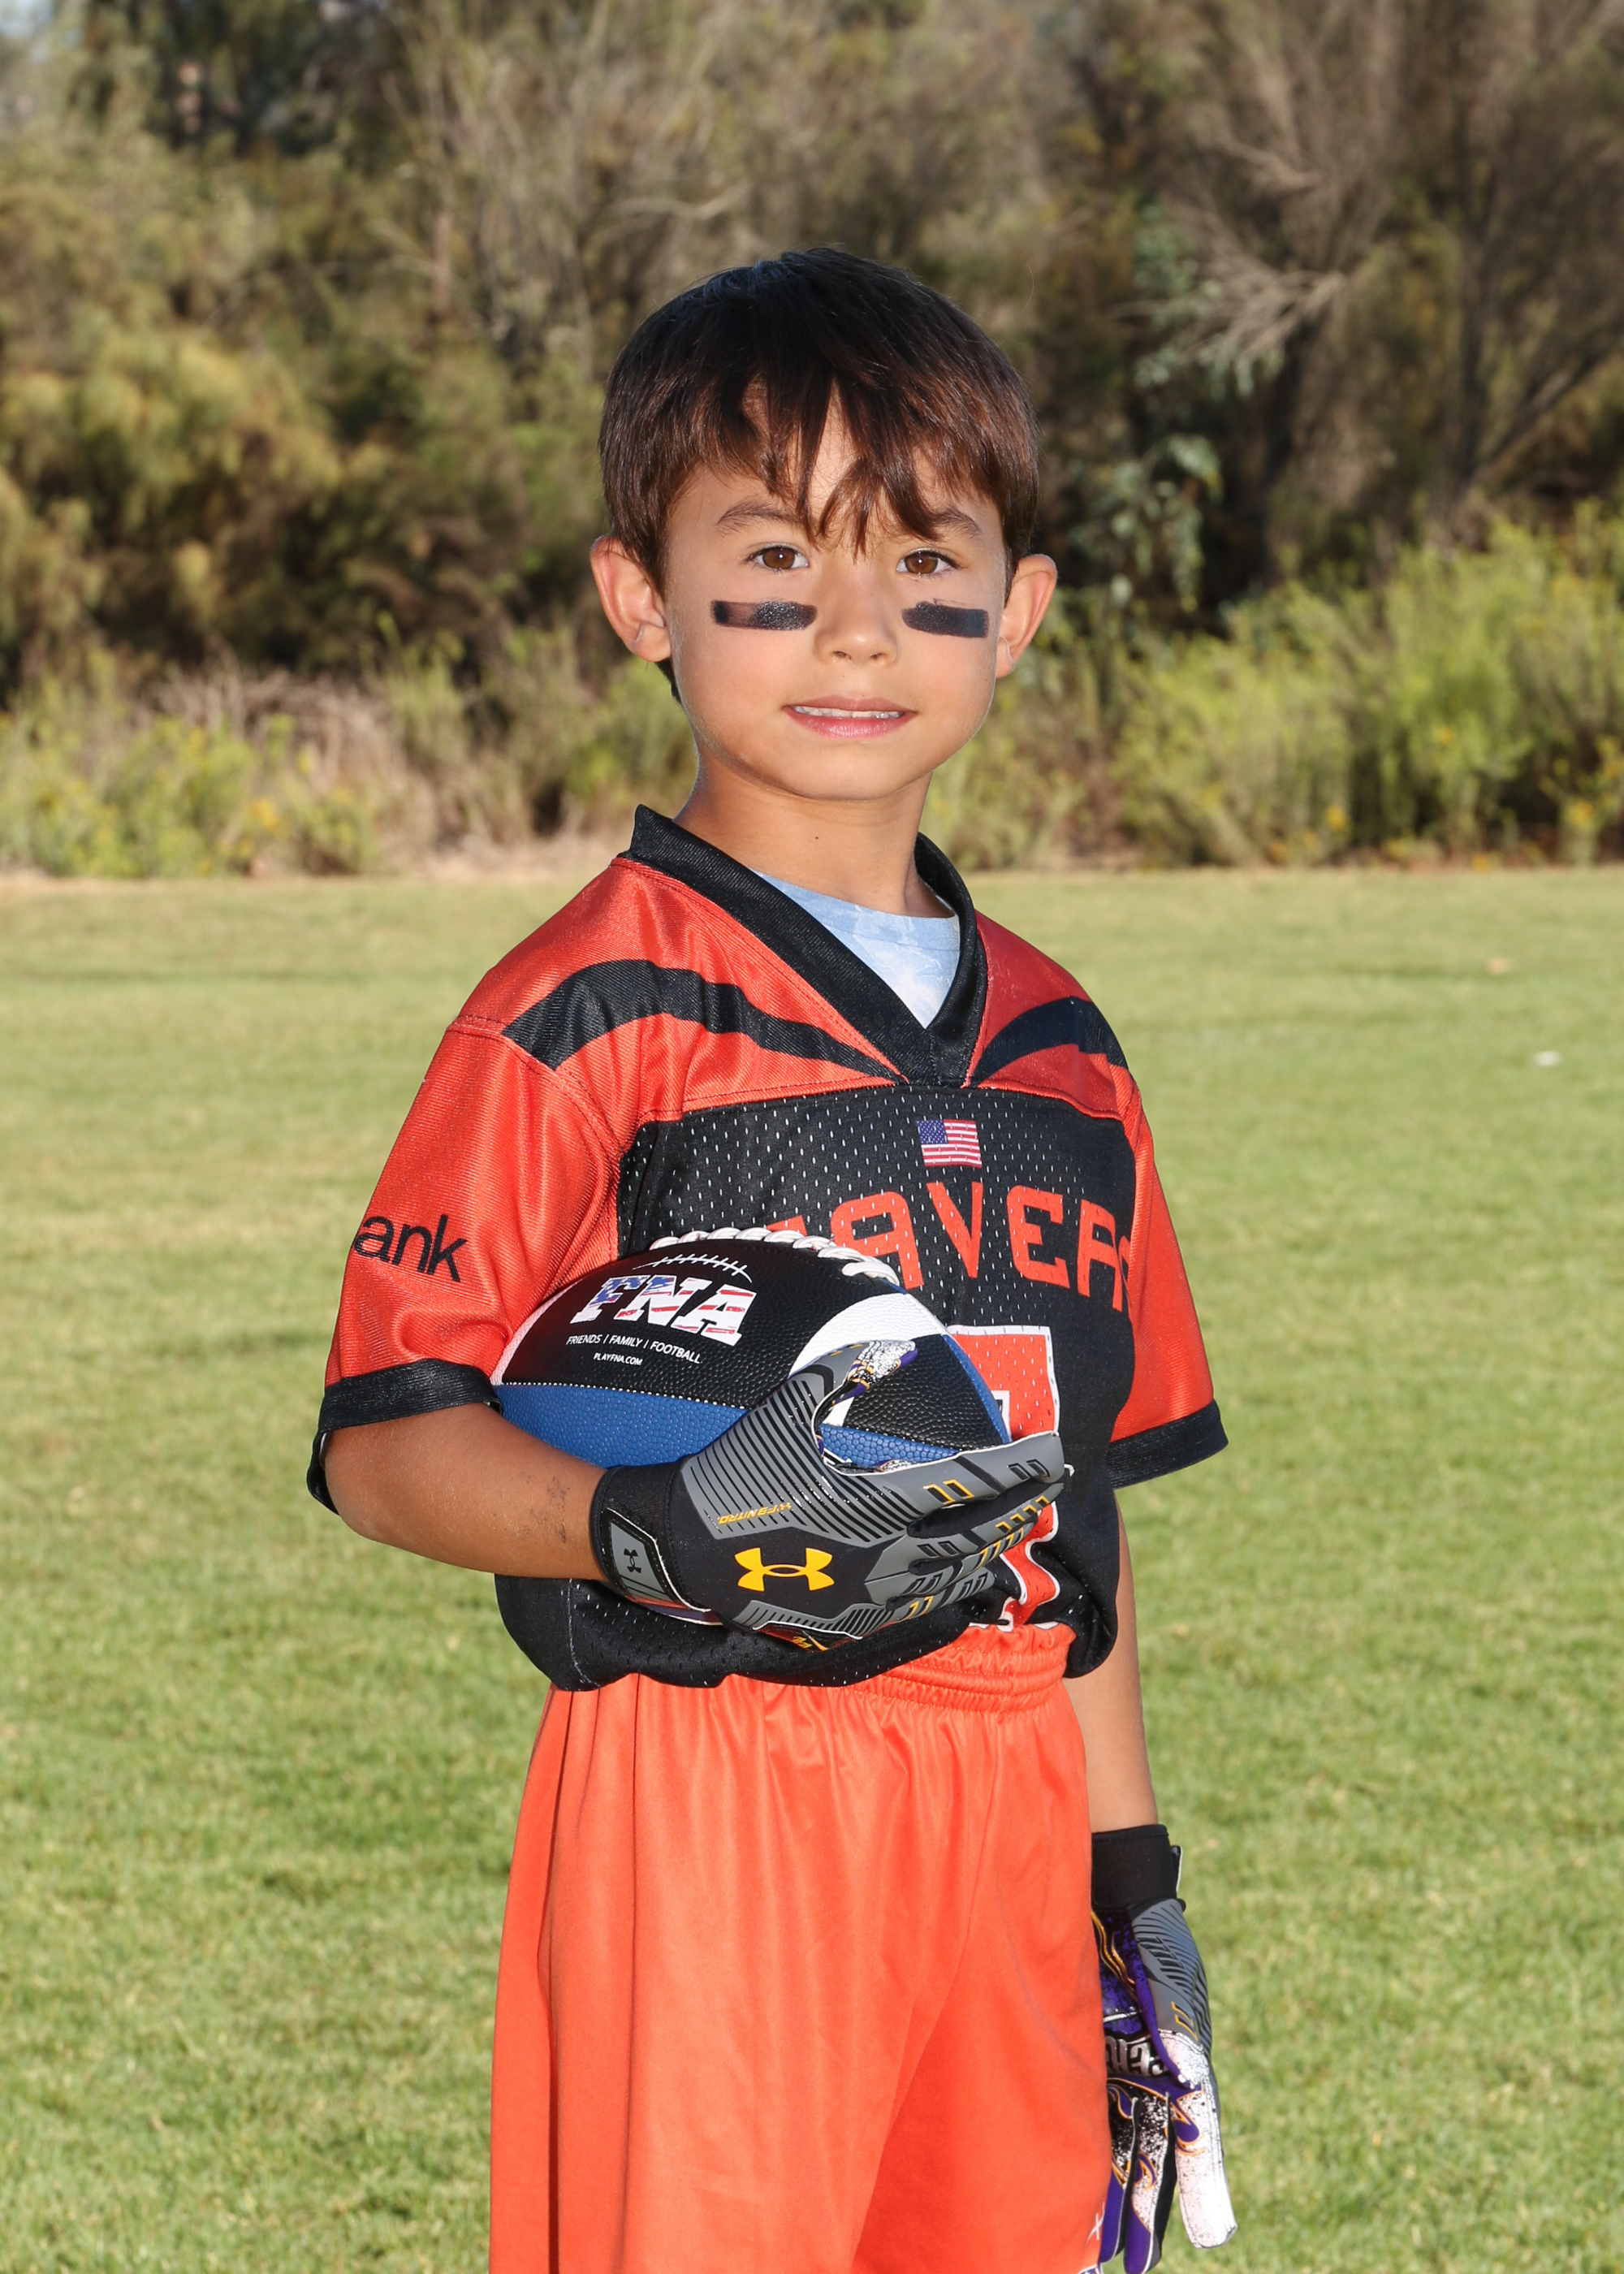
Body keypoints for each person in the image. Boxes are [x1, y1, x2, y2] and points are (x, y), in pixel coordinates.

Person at [311, 248, 1234, 2274]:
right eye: (774, 561)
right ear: (639, 595)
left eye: (923, 564)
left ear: (1018, 610)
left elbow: (1072, 1510)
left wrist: (1130, 1862)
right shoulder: (584, 1008)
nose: (854, 628)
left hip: (1009, 1796)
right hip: (713, 1781)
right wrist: (646, 1522)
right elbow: (383, 1439)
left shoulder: (1068, 1051)